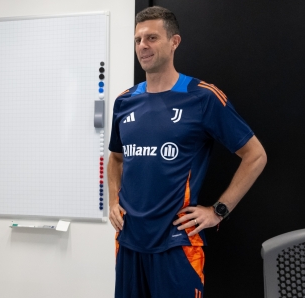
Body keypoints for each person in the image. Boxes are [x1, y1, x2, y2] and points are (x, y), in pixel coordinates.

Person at [107, 6, 267, 298]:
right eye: (138, 39)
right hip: (129, 242)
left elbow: (255, 155)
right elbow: (115, 159)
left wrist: (219, 211)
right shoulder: (124, 102)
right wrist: (114, 200)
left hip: (177, 246)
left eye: (152, 38)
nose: (143, 46)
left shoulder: (202, 97)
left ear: (174, 42)